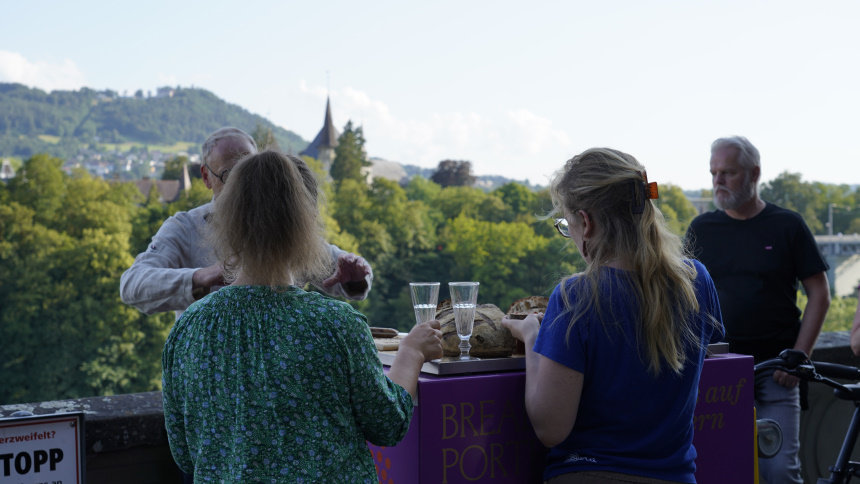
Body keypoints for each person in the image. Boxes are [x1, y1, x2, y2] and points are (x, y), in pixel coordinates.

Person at [161, 150, 443, 482]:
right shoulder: (336, 325)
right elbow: (388, 424)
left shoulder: (188, 330)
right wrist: (411, 352)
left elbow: (183, 452)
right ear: (304, 226)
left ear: (228, 221)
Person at [502, 148, 724, 484]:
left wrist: (535, 336)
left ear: (587, 222)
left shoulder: (575, 296)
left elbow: (551, 429)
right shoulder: (697, 280)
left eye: (567, 225)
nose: (571, 235)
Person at [686, 136, 831, 484]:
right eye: (714, 173)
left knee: (780, 470)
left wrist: (801, 355)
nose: (718, 181)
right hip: (719, 367)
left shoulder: (787, 225)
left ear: (755, 173)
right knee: (719, 465)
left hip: (778, 369)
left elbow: (820, 293)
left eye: (728, 172)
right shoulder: (701, 229)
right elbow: (686, 297)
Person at [120, 127, 372, 320]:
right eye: (230, 174)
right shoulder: (185, 227)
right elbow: (133, 286)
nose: (244, 184)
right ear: (206, 177)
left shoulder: (283, 225)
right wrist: (201, 276)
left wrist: (355, 277)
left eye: (252, 170)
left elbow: (342, 273)